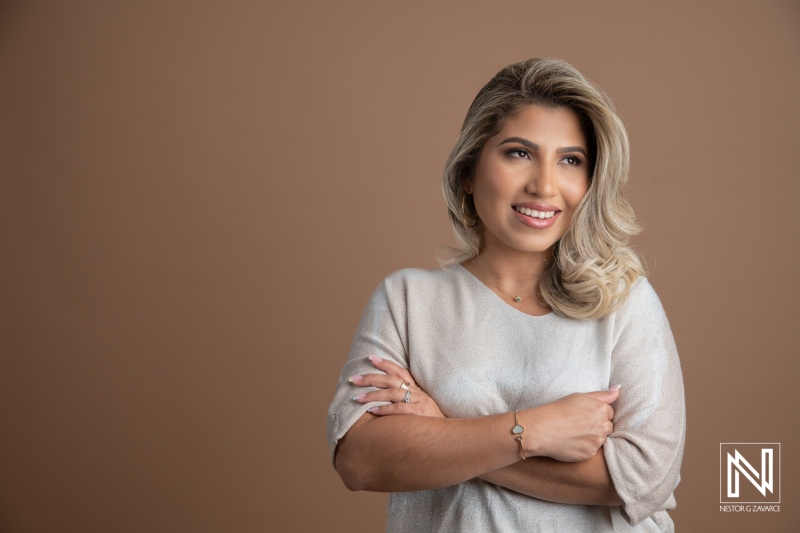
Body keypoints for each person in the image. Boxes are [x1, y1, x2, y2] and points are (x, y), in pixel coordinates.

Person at [326, 58, 685, 532]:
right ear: (470, 171)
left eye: (570, 160)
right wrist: (534, 430)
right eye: (519, 153)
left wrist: (444, 429)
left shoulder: (624, 302)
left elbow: (644, 480)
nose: (544, 185)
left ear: (590, 183)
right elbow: (360, 460)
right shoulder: (407, 300)